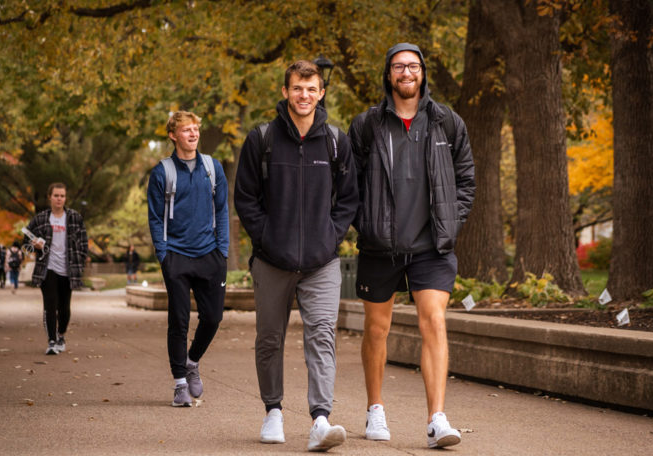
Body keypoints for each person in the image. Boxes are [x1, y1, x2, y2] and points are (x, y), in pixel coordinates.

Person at [349, 43, 475, 449]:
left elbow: (466, 180)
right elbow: (347, 184)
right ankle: (375, 409)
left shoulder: (447, 123)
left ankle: (437, 418)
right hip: (379, 245)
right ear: (388, 74)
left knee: (433, 321)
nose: (407, 72)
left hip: (430, 246)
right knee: (377, 329)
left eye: (413, 66)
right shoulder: (367, 125)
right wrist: (363, 225)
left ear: (423, 73)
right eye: (399, 66)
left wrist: (450, 223)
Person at [235, 60, 357, 452]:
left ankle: (320, 420)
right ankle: (273, 411)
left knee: (321, 336)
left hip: (322, 263)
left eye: (312, 88)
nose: (304, 95)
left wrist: (329, 236)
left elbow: (348, 200)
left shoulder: (336, 141)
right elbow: (246, 199)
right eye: (297, 88)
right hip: (272, 260)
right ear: (285, 91)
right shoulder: (262, 138)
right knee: (269, 339)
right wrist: (267, 238)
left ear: (321, 93)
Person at [147, 111, 229, 407]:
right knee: (178, 320)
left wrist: (223, 250)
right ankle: (180, 383)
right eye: (186, 130)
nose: (193, 134)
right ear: (173, 135)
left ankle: (192, 361)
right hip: (177, 256)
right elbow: (155, 218)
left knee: (213, 317)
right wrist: (163, 254)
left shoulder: (213, 168)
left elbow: (221, 210)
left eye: (196, 129)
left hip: (210, 254)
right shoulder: (162, 172)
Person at [25, 183, 89, 355]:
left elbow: (84, 243)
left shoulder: (74, 218)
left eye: (62, 196)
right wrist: (34, 245)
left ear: (65, 198)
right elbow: (25, 239)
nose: (59, 198)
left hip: (68, 270)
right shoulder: (41, 219)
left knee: (65, 309)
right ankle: (52, 341)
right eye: (56, 195)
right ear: (50, 197)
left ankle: (61, 335)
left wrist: (80, 263)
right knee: (50, 305)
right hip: (48, 269)